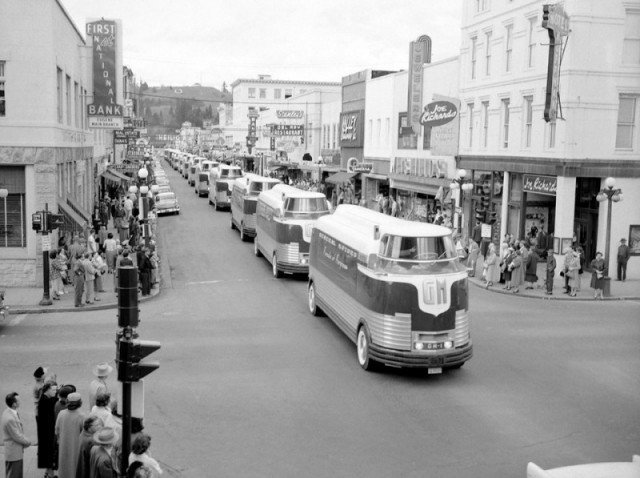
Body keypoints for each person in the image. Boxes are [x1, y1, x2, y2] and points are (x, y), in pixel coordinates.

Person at [2, 392, 32, 478]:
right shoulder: (10, 419)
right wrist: (28, 442)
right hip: (14, 452)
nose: (20, 401)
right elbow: (17, 436)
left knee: (12, 472)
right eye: (18, 400)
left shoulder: (8, 412)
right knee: (14, 474)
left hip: (13, 450)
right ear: (14, 404)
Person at [55, 392, 86, 478]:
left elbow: (57, 430)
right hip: (75, 447)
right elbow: (83, 433)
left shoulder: (61, 414)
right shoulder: (81, 416)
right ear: (79, 403)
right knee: (74, 467)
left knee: (64, 466)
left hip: (63, 446)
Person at [37, 380, 59, 478]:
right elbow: (53, 401)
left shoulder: (44, 398)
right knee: (49, 454)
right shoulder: (45, 401)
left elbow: (53, 399)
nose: (55, 392)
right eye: (54, 390)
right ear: (48, 389)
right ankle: (50, 475)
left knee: (47, 454)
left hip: (44, 433)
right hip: (47, 434)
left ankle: (48, 472)